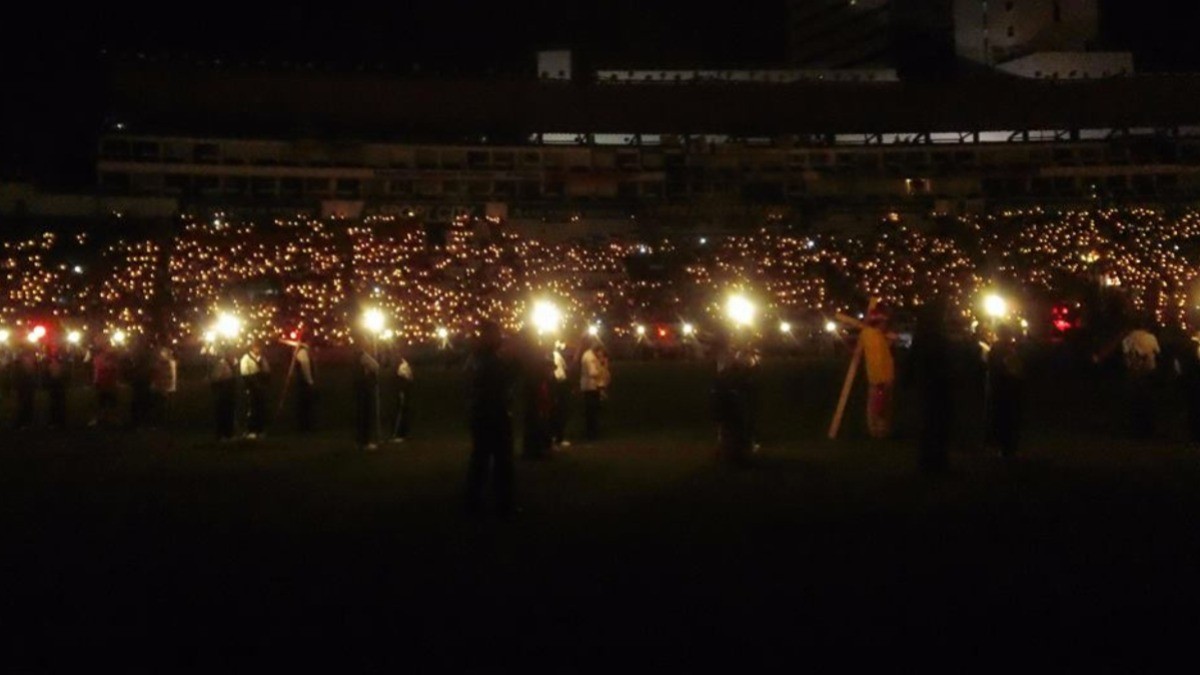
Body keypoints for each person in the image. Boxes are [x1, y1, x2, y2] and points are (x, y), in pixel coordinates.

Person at [465, 320, 517, 516]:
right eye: (497, 334)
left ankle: (477, 501)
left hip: (484, 413)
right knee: (497, 460)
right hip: (491, 414)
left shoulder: (479, 357)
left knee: (481, 459)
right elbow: (497, 381)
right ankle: (501, 503)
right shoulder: (486, 360)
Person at [911, 301, 953, 473]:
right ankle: (934, 461)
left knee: (931, 423)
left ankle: (930, 460)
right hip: (936, 384)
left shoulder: (923, 336)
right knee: (935, 423)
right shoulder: (935, 337)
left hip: (930, 384)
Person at [713, 335, 754, 468]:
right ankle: (730, 451)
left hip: (730, 393)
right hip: (728, 393)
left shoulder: (731, 356)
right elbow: (726, 372)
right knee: (729, 424)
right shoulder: (726, 356)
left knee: (731, 424)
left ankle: (733, 450)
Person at [986, 323, 1025, 458]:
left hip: (1003, 388)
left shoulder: (1002, 348)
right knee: (1006, 418)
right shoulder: (1004, 349)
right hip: (1005, 387)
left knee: (1003, 417)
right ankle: (1006, 447)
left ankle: (1005, 446)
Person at [861, 309, 896, 439]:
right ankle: (878, 431)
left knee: (882, 406)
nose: (885, 325)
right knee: (878, 407)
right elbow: (876, 359)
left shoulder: (878, 335)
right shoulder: (871, 335)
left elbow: (883, 352)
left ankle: (882, 430)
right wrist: (879, 380)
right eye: (883, 322)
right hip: (879, 378)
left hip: (885, 376)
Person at [1121, 321, 1160, 438]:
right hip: (1148, 372)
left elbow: (1126, 354)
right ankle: (1148, 428)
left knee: (1134, 400)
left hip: (1134, 372)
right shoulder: (1150, 337)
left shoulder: (1128, 339)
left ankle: (1136, 428)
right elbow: (1157, 351)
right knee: (1148, 400)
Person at [240, 342, 270, 439]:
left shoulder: (262, 358)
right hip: (251, 386)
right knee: (252, 409)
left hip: (261, 386)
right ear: (252, 348)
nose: (259, 349)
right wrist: (252, 385)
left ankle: (260, 429)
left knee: (261, 408)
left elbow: (267, 371)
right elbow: (245, 374)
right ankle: (250, 430)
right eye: (256, 347)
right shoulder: (246, 359)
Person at [353, 344, 380, 451]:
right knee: (365, 415)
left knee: (360, 415)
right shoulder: (363, 355)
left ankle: (360, 441)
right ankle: (365, 442)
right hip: (364, 388)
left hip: (358, 389)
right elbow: (376, 366)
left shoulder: (354, 357)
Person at [209, 346, 238, 441]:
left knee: (229, 413)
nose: (233, 355)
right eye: (231, 353)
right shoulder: (222, 364)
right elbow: (215, 378)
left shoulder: (232, 363)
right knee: (223, 413)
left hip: (230, 392)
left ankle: (229, 433)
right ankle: (222, 434)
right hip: (223, 392)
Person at [90, 344, 121, 428]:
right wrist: (95, 380)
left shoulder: (112, 359)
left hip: (110, 383)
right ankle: (99, 418)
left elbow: (115, 369)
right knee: (101, 401)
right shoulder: (98, 359)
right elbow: (97, 370)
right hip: (102, 382)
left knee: (111, 401)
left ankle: (111, 419)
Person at [580, 339, 604, 441]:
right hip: (590, 386)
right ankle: (591, 433)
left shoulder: (588, 355)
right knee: (592, 411)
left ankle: (592, 432)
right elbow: (592, 372)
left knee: (591, 411)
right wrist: (600, 369)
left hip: (590, 386)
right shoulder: (590, 358)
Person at [550, 341, 571, 449]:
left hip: (561, 384)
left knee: (561, 411)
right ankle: (555, 437)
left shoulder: (557, 354)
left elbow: (565, 367)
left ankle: (558, 437)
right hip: (555, 385)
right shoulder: (549, 355)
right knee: (555, 412)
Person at [13, 344, 39, 430]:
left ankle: (26, 421)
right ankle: (24, 421)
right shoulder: (21, 364)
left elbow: (33, 373)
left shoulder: (27, 363)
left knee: (27, 403)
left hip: (27, 386)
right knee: (24, 403)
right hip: (24, 386)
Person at [151, 345, 177, 427]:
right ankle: (165, 421)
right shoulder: (168, 363)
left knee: (164, 405)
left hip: (165, 387)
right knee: (163, 405)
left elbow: (168, 375)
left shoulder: (168, 363)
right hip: (165, 387)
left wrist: (164, 386)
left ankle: (164, 421)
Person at [44, 345, 69, 429]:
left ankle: (59, 421)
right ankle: (56, 420)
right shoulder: (51, 362)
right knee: (55, 402)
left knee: (58, 402)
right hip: (55, 383)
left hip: (58, 383)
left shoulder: (59, 362)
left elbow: (62, 372)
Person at [294, 341, 317, 433]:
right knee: (305, 404)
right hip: (304, 383)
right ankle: (305, 425)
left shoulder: (303, 352)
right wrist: (310, 381)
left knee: (305, 404)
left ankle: (305, 424)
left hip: (303, 382)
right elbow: (305, 368)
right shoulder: (303, 353)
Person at [392, 352, 413, 443]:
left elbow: (407, 379)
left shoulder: (403, 366)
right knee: (402, 411)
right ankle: (400, 433)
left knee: (402, 411)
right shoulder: (404, 366)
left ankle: (400, 434)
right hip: (403, 390)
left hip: (403, 391)